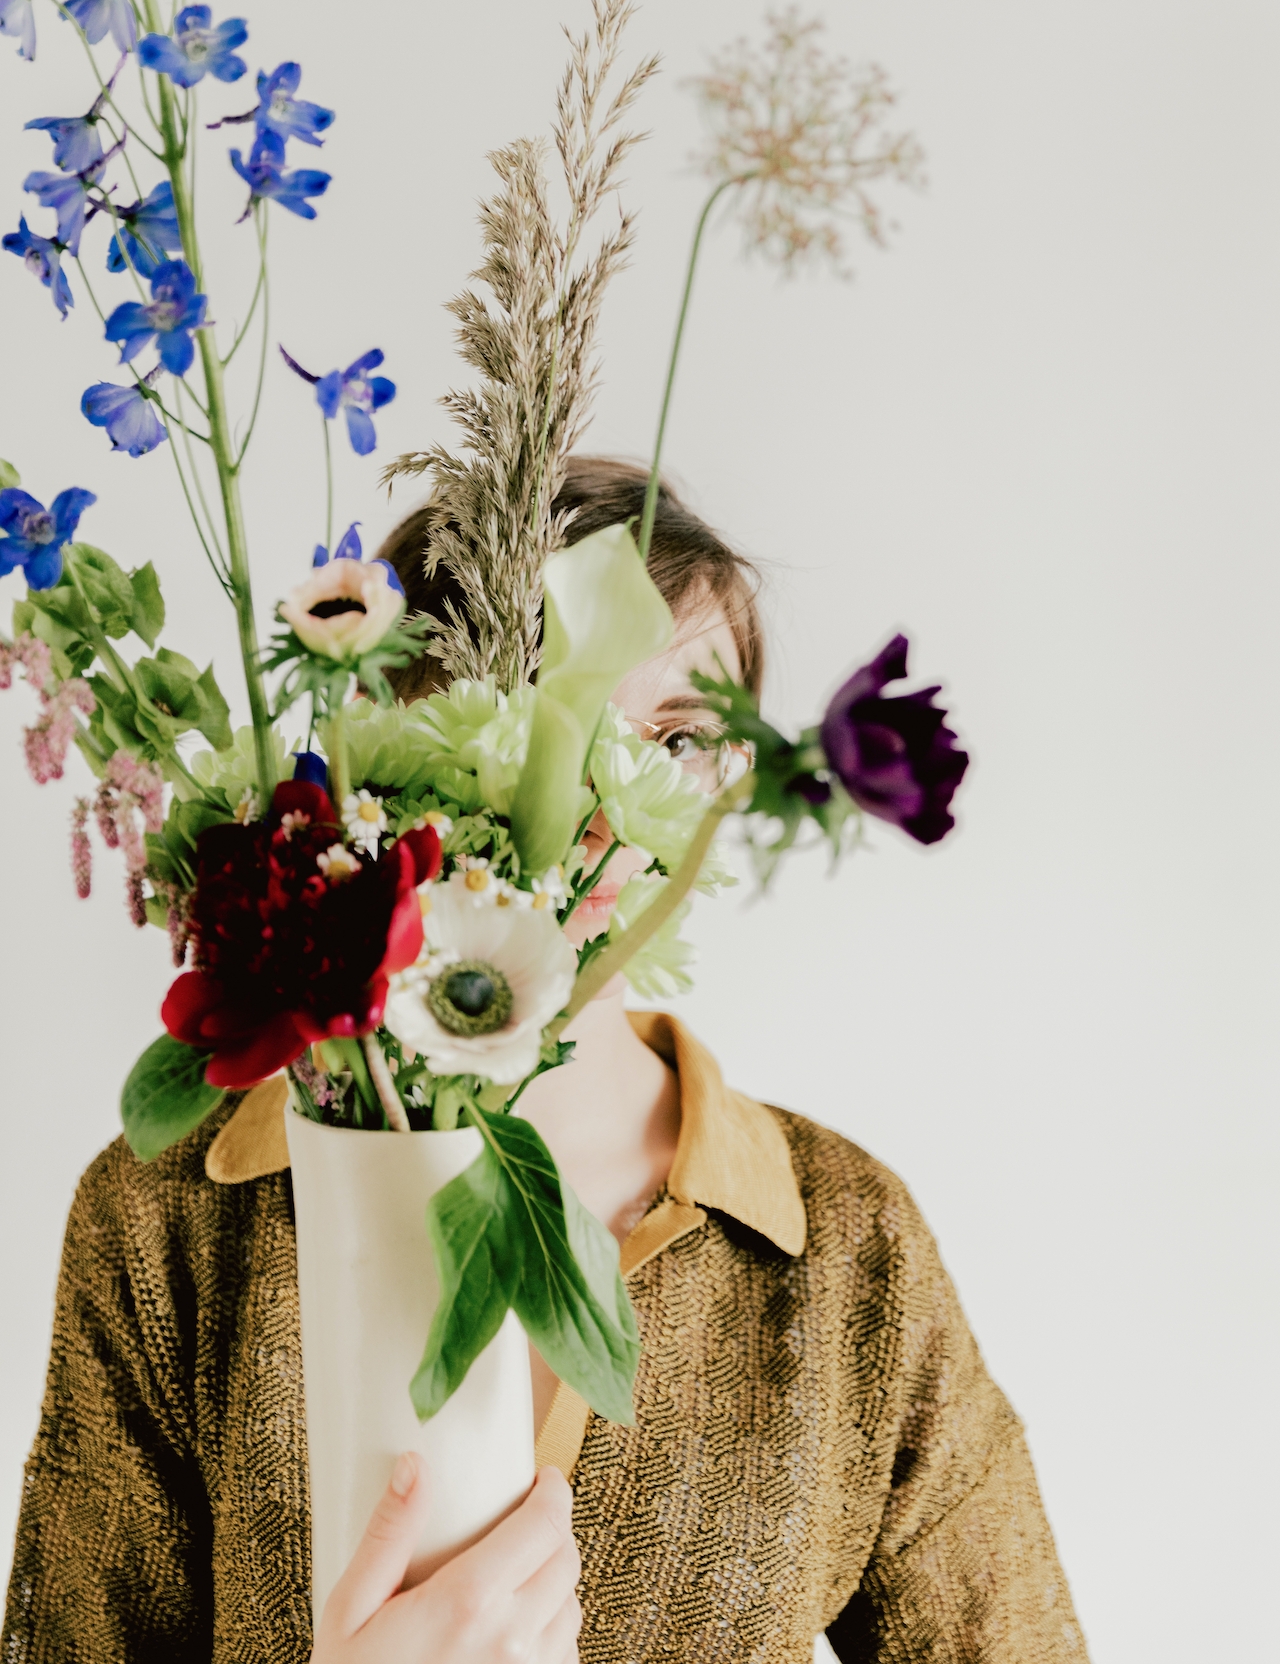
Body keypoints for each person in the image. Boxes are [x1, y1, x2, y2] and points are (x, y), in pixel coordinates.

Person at [2, 459, 1088, 1663]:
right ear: (389, 753)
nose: (600, 807)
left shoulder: (846, 1250)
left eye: (677, 738)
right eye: (538, 725)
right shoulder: (169, 1222)